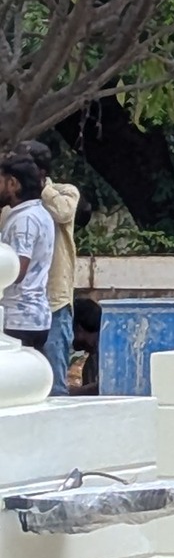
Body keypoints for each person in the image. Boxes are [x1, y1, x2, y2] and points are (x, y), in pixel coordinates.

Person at [16, 140, 79, 393]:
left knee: (54, 384)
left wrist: (38, 186)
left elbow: (63, 212)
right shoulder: (12, 200)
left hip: (54, 302)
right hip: (18, 306)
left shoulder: (65, 193)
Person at [1, 154, 56, 380]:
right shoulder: (38, 213)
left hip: (18, 317)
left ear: (13, 184)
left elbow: (16, 270)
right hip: (34, 316)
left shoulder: (25, 219)